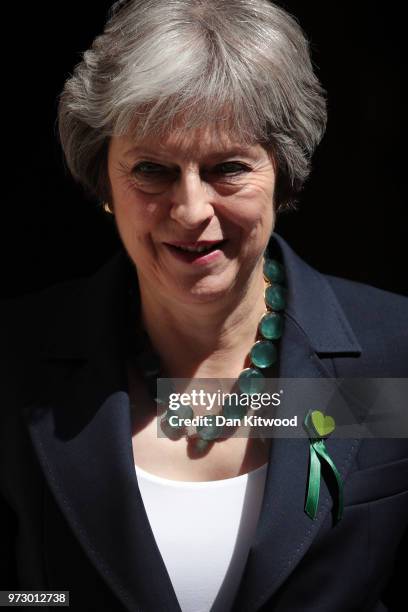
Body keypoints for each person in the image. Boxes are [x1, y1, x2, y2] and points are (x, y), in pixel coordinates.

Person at [1, 1, 407, 610]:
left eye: (228, 168)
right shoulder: (15, 362)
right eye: (153, 171)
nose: (191, 210)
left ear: (283, 172)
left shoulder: (395, 349)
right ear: (103, 180)